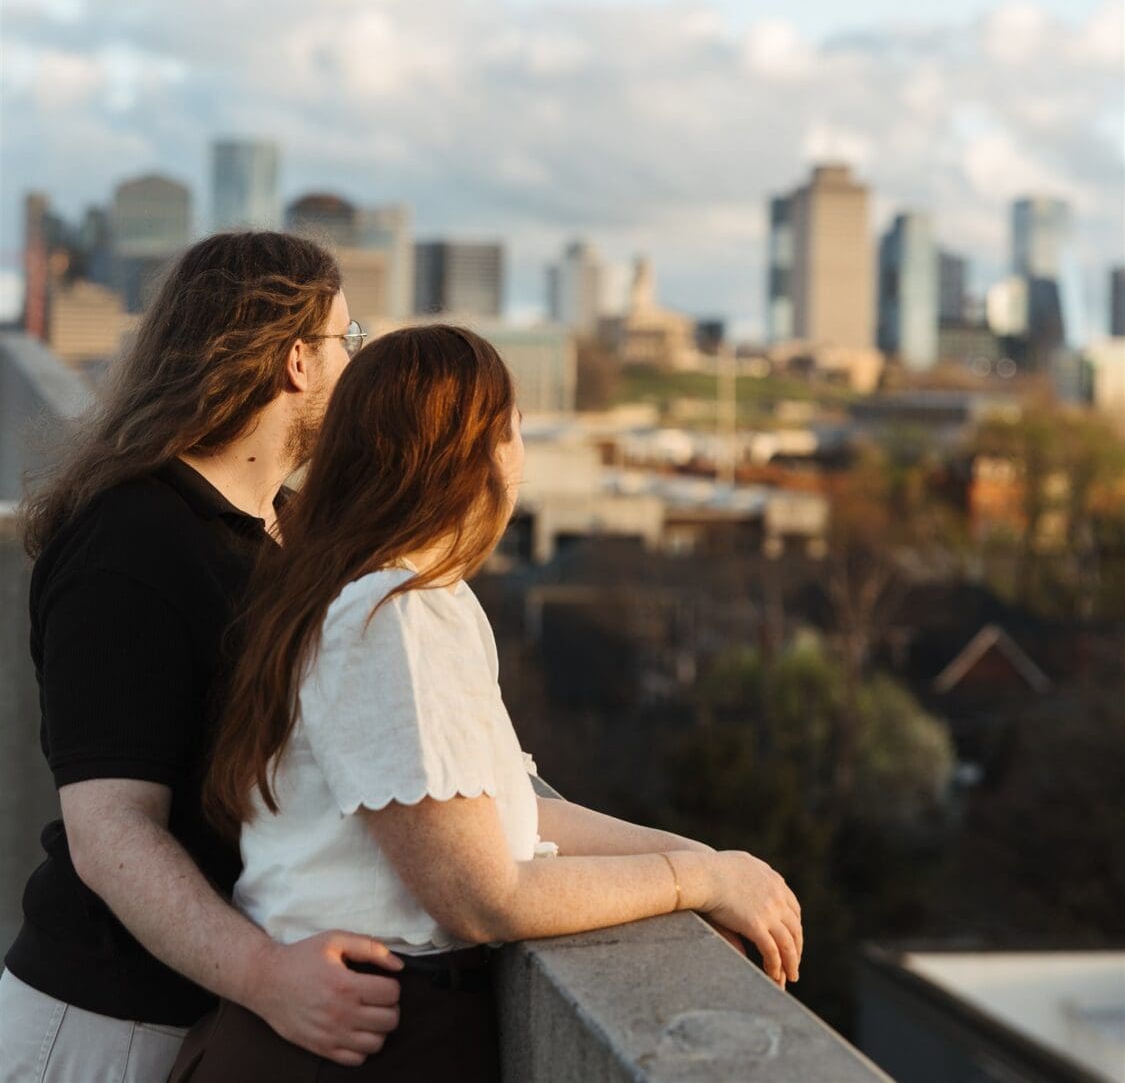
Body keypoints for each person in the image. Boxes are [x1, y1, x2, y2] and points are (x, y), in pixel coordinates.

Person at [171, 324, 803, 1082]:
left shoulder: (394, 599)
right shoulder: (390, 620)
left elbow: (506, 814)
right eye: (514, 431)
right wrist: (694, 881)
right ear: (477, 455)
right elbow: (481, 894)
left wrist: (705, 863)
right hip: (359, 1045)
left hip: (364, 1038)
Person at [0, 232, 402, 1083]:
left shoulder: (284, 531)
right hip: (104, 1028)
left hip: (209, 1022)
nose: (353, 364)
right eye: (347, 342)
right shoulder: (131, 538)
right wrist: (265, 975)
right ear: (297, 360)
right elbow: (108, 829)